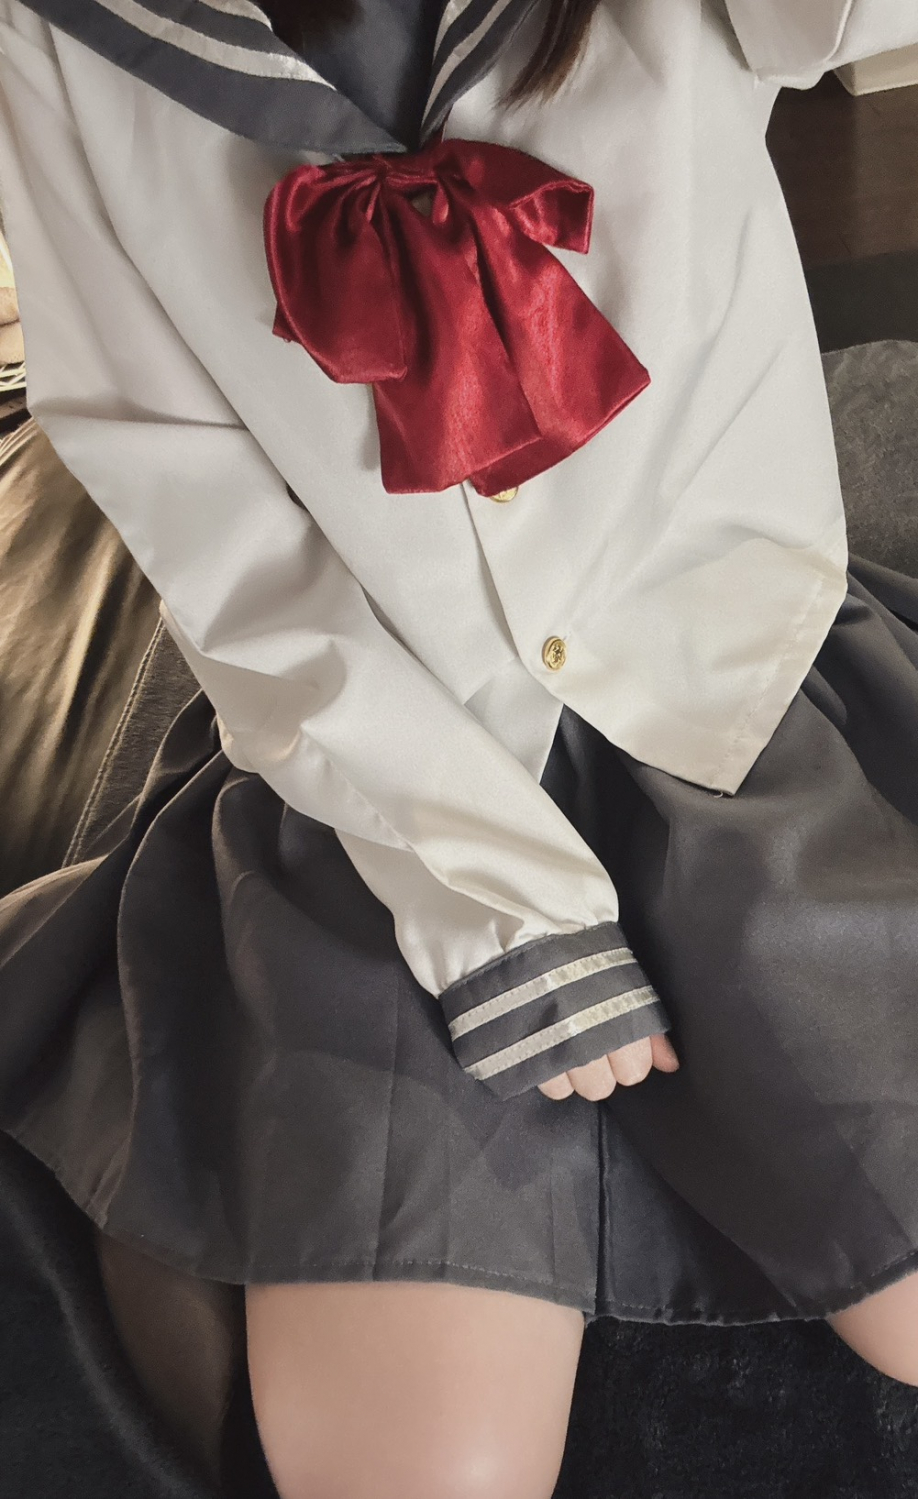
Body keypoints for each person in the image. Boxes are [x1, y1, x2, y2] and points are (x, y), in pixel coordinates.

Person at [0, 1, 917, 1495]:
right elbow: (173, 473)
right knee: (423, 1470)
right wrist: (482, 888)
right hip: (385, 771)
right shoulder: (62, 36)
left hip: (728, 698)